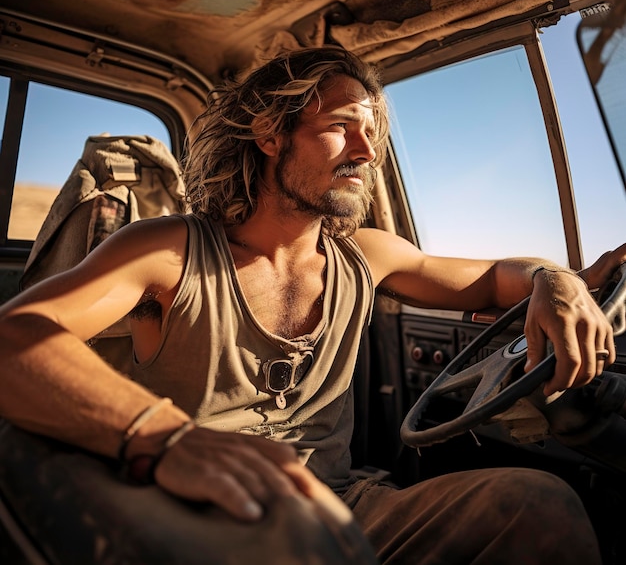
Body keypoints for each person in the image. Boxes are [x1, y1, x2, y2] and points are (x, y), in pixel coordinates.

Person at [0, 45, 624, 564]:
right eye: (340, 127)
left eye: (373, 134)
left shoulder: (369, 255)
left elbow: (494, 279)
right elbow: (16, 336)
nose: (366, 151)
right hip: (203, 513)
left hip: (341, 502)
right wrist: (166, 441)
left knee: (539, 505)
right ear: (272, 135)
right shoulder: (170, 251)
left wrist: (558, 281)